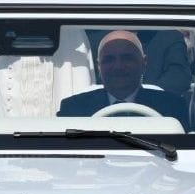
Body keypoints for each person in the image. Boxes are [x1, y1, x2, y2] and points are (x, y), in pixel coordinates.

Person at [57, 30, 188, 125]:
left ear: (144, 63)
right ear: (99, 66)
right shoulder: (73, 109)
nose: (118, 66)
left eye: (127, 58)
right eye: (109, 59)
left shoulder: (172, 108)